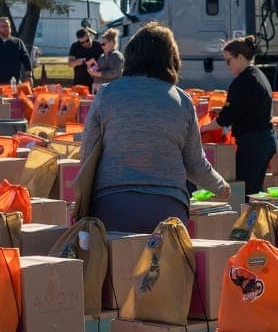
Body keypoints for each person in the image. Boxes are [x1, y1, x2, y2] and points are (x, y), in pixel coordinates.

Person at [78, 23, 230, 233]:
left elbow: (87, 153)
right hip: (168, 207)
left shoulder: (106, 95)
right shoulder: (182, 101)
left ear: (130, 56)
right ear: (171, 59)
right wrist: (220, 187)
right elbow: (195, 164)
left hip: (112, 204)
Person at [207, 35, 275, 194]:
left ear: (240, 58)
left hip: (254, 143)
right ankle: (255, 210)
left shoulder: (243, 81)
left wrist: (202, 129)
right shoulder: (257, 74)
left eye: (228, 61)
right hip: (265, 140)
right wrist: (223, 111)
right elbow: (245, 108)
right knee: (255, 190)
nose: (227, 66)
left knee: (244, 191)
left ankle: (248, 211)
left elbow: (225, 119)